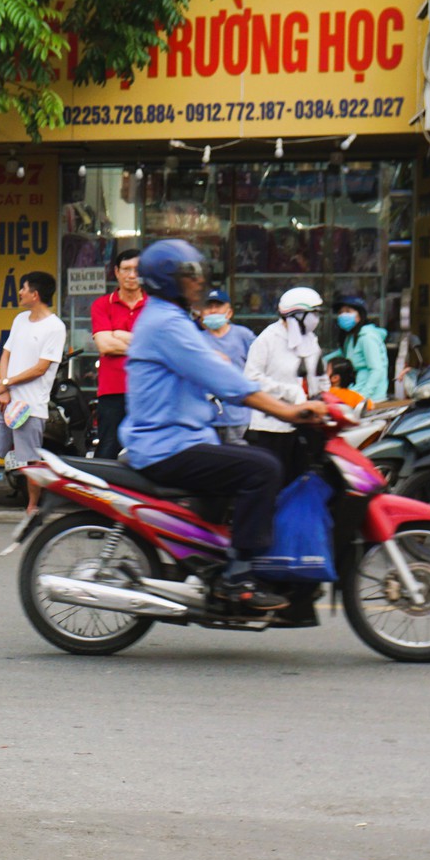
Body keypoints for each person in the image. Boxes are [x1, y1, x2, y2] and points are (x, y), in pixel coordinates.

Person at [118, 241, 330, 615]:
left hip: (183, 438)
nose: (197, 285)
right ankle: (238, 578)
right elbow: (228, 381)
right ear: (169, 282)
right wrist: (288, 411)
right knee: (262, 468)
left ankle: (210, 569)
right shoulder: (167, 323)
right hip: (166, 445)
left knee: (241, 469)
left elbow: (213, 363)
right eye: (189, 278)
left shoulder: (175, 319)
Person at [0, 271, 66, 522]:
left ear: (35, 294)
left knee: (30, 458)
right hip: (4, 402)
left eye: (23, 288)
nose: (19, 292)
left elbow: (41, 368)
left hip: (31, 405)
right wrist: (4, 388)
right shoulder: (21, 319)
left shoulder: (55, 327)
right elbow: (6, 354)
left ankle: (32, 509)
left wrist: (7, 382)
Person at [243, 286, 328, 470]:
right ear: (296, 315)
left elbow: (320, 376)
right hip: (272, 426)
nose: (316, 319)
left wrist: (325, 398)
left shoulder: (311, 340)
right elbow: (251, 377)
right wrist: (289, 392)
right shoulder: (268, 339)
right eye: (312, 313)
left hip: (307, 423)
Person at [90, 248, 144, 458]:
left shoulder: (155, 306)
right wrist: (143, 344)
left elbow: (161, 347)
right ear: (116, 272)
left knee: (148, 449)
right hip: (113, 391)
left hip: (148, 390)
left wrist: (120, 334)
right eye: (126, 269)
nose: (132, 275)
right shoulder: (102, 304)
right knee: (108, 449)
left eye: (137, 270)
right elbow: (105, 346)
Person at [199, 288, 256, 445]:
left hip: (239, 416)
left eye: (218, 307)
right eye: (209, 307)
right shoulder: (196, 339)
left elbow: (258, 368)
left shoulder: (243, 335)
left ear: (229, 312)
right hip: (207, 418)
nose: (213, 311)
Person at [331, 295, 389, 402]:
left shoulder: (367, 337)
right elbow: (343, 353)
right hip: (357, 391)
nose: (343, 315)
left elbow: (377, 369)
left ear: (359, 316)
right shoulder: (351, 336)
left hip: (371, 398)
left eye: (348, 311)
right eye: (340, 312)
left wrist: (363, 396)